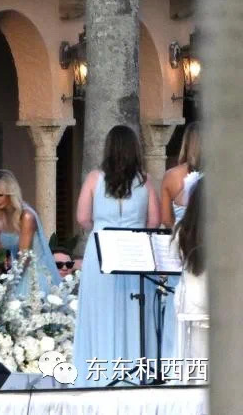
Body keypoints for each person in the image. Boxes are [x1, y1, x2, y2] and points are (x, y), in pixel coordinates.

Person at [72, 125, 160, 387]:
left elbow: (82, 218)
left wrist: (102, 226)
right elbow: (154, 221)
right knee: (133, 312)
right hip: (135, 251)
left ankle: (99, 374)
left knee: (100, 310)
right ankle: (133, 372)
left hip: (101, 251)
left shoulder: (94, 179)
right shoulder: (144, 180)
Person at [159, 122, 200, 360]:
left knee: (179, 310)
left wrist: (183, 231)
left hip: (183, 252)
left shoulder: (171, 176)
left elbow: (166, 219)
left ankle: (176, 364)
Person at [0, 169, 61, 298]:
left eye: (0, 194)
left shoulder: (27, 216)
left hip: (35, 276)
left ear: (10, 193)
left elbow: (24, 257)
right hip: (17, 272)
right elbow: (2, 243)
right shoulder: (1, 218)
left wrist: (11, 284)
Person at [172, 179, 206, 373]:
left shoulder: (183, 231)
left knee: (196, 358)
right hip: (224, 302)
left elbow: (175, 260)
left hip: (192, 302)